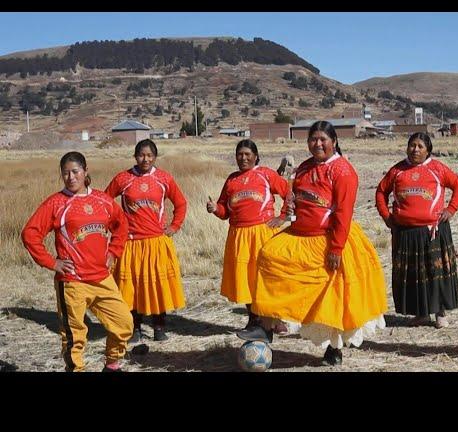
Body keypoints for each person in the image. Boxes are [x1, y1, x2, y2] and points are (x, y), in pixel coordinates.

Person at [238, 121, 387, 366]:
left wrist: (336, 248)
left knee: (330, 296)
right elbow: (292, 196)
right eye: (313, 139)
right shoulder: (305, 167)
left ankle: (334, 349)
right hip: (299, 235)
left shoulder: (343, 171)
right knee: (267, 256)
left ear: (334, 141)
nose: (317, 144)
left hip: (329, 239)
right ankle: (265, 326)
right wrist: (289, 212)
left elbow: (343, 213)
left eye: (322, 139)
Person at [21, 152, 132, 372]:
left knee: (124, 324)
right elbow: (30, 234)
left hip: (102, 278)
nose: (71, 177)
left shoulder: (102, 200)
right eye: (65, 173)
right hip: (72, 282)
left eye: (75, 171)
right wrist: (52, 263)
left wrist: (113, 252)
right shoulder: (56, 203)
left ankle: (111, 364)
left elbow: (121, 224)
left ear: (85, 171)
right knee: (74, 337)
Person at [376, 132, 458, 328]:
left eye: (420, 146)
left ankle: (440, 313)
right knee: (414, 275)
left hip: (432, 230)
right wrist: (386, 216)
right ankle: (421, 313)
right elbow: (381, 191)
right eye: (412, 145)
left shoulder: (437, 169)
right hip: (405, 232)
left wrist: (450, 210)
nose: (415, 149)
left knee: (435, 272)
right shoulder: (397, 171)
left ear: (428, 150)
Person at [105, 139, 187, 342]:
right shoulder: (123, 178)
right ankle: (135, 328)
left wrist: (174, 227)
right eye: (141, 155)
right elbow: (105, 202)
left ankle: (159, 327)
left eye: (150, 155)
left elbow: (181, 203)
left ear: (155, 157)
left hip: (156, 242)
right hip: (130, 243)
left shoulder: (163, 179)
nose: (145, 159)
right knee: (132, 288)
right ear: (135, 156)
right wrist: (114, 227)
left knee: (157, 286)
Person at [206, 139, 290, 329]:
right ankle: (254, 319)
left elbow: (289, 192)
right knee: (246, 278)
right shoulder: (232, 180)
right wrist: (214, 209)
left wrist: (282, 217)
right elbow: (224, 211)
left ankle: (276, 318)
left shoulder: (266, 174)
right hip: (239, 235)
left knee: (267, 276)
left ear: (256, 156)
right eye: (240, 155)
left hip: (263, 232)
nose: (243, 158)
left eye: (247, 154)